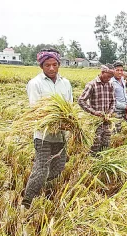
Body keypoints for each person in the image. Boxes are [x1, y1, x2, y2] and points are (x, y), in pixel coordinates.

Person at [22, 49, 73, 209]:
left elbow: (69, 106)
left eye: (54, 64)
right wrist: (55, 122)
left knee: (59, 167)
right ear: (41, 66)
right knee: (41, 169)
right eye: (47, 65)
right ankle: (27, 203)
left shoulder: (65, 83)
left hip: (61, 135)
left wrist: (68, 122)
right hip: (43, 135)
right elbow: (36, 109)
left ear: (59, 65)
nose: (51, 68)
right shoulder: (35, 83)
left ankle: (43, 192)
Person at [78, 65, 116, 155]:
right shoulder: (92, 85)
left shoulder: (110, 85)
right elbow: (81, 101)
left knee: (106, 143)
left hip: (107, 121)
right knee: (95, 143)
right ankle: (91, 163)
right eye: (108, 76)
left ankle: (102, 163)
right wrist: (94, 112)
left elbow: (113, 101)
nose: (109, 79)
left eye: (111, 77)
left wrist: (110, 113)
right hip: (95, 122)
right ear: (102, 73)